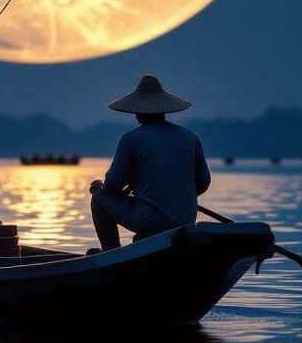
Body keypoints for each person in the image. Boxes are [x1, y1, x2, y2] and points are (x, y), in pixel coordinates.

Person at [89, 74, 211, 251]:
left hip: (149, 220)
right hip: (185, 220)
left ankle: (110, 252)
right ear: (164, 110)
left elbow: (112, 187)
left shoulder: (131, 139)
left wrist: (99, 187)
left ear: (137, 112)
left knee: (98, 196)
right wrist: (172, 198)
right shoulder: (190, 137)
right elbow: (203, 183)